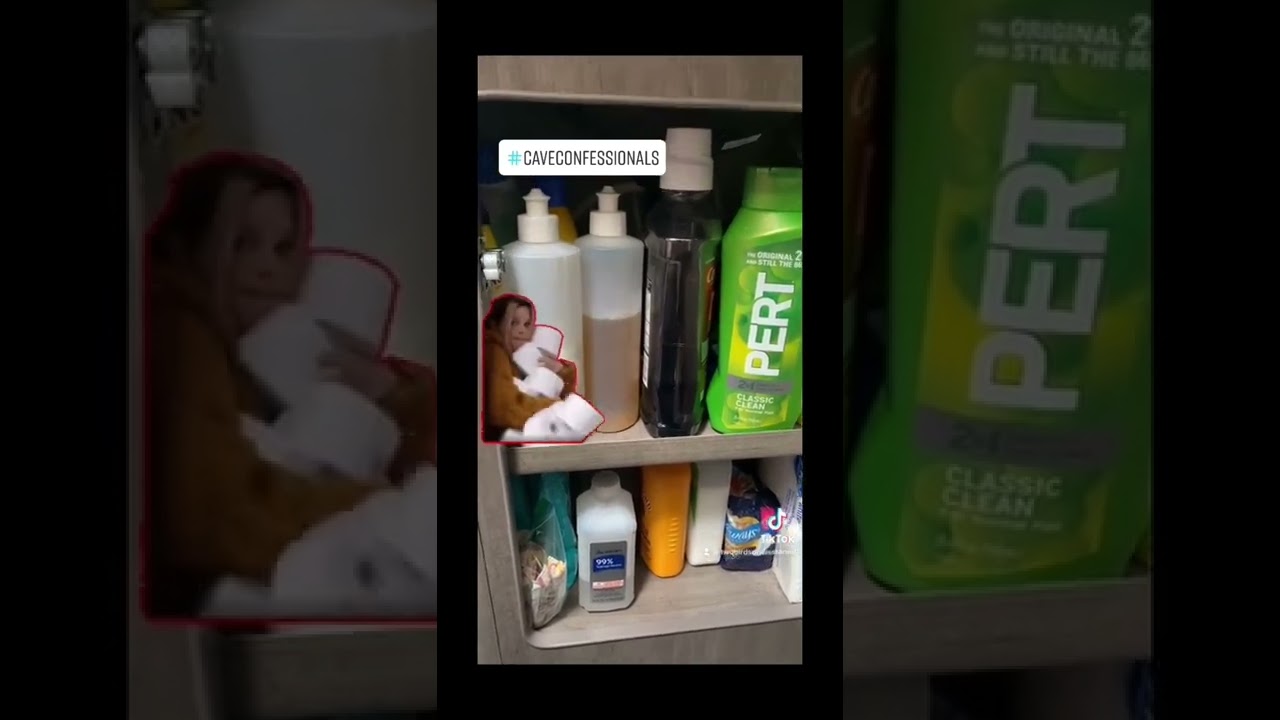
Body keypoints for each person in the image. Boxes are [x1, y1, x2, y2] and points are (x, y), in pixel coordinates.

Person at [146, 151, 436, 617]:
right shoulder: (179, 333)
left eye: (283, 249)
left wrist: (391, 392)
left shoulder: (282, 355)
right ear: (197, 247)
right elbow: (220, 515)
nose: (266, 268)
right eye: (243, 244)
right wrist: (389, 505)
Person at [483, 295, 577, 440]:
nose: (521, 330)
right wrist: (560, 407)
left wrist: (561, 371)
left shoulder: (516, 359)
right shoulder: (494, 352)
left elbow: (563, 394)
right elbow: (505, 409)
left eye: (527, 324)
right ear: (496, 324)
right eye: (513, 323)